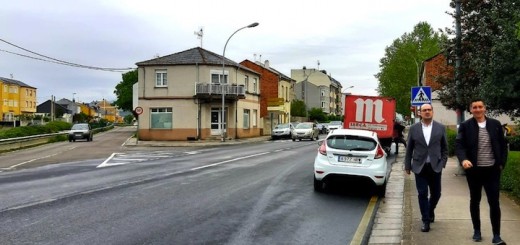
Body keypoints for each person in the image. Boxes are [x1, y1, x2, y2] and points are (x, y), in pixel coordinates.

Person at [456, 99, 508, 244]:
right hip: (474, 171)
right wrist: (463, 159)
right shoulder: (466, 126)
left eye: (480, 107)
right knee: (475, 200)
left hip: (492, 170)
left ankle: (496, 235)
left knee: (494, 202)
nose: (478, 109)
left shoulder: (495, 125)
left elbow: (503, 146)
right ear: (470, 110)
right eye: (474, 107)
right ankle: (477, 231)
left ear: (485, 108)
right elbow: (459, 145)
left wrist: (501, 163)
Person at [404, 103, 448, 233]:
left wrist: (443, 162)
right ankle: (425, 220)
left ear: (432, 112)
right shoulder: (414, 128)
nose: (427, 112)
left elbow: (445, 148)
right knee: (422, 193)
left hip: (435, 166)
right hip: (419, 166)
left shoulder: (440, 128)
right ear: (420, 113)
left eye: (429, 110)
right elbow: (409, 148)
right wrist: (407, 165)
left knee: (436, 194)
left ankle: (429, 210)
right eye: (424, 110)